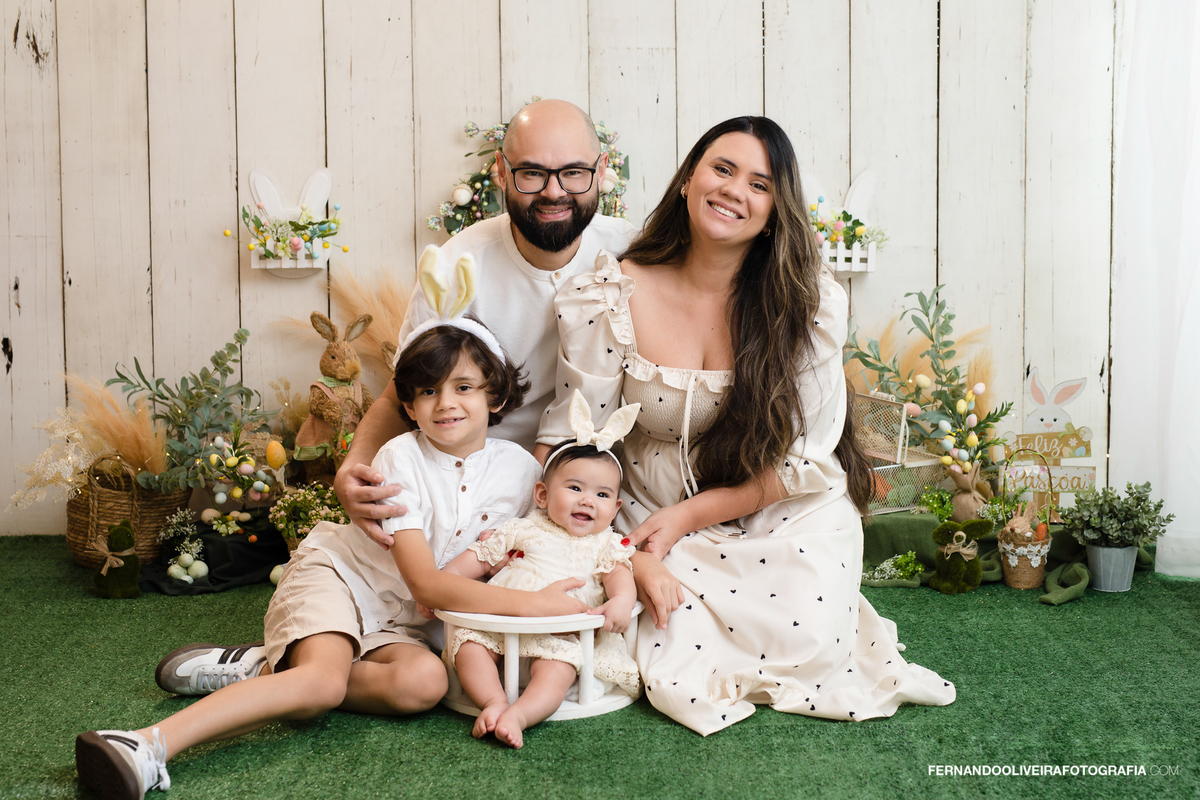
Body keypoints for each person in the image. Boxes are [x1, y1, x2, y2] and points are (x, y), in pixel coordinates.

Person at [75, 286, 590, 800]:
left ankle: (266, 668)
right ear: (408, 406)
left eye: (464, 387)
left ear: (495, 396)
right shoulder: (398, 459)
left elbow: (524, 548)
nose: (446, 403)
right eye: (428, 391)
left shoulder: (524, 473)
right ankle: (146, 745)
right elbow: (427, 583)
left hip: (406, 623)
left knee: (424, 686)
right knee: (321, 688)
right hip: (345, 581)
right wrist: (532, 605)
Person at [536, 116, 957, 737]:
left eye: (760, 184)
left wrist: (688, 519)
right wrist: (625, 550)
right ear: (688, 181)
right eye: (723, 169)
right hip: (647, 504)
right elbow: (580, 438)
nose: (735, 190)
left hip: (773, 500)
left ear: (774, 210)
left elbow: (807, 461)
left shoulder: (807, 302)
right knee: (648, 623)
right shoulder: (611, 290)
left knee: (808, 638)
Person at [336, 98, 635, 548]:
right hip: (478, 481)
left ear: (601, 169)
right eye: (532, 173)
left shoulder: (634, 254)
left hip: (589, 485)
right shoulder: (458, 264)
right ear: (501, 170)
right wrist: (351, 468)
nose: (554, 192)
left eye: (573, 172)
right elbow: (403, 390)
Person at [441, 392, 641, 749]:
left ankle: (520, 715)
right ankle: (493, 701)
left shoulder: (605, 543)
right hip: (503, 619)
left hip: (559, 635)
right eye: (575, 488)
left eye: (602, 495)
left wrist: (622, 601)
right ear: (543, 495)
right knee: (469, 645)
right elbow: (481, 556)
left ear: (615, 508)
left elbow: (619, 575)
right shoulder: (524, 527)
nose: (587, 500)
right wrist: (446, 582)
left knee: (558, 669)